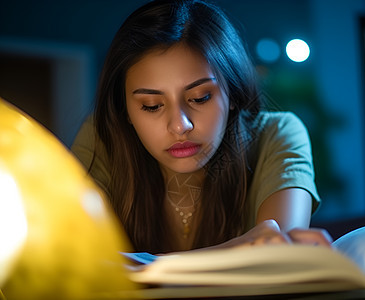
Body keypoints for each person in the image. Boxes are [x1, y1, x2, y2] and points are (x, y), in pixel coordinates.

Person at [71, 0, 332, 254]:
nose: (179, 126)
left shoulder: (276, 134)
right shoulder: (102, 136)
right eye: (152, 105)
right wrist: (238, 248)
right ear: (125, 109)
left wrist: (139, 267)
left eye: (200, 98)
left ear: (233, 93)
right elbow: (76, 258)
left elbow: (278, 257)